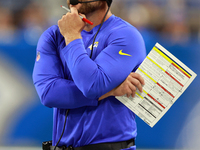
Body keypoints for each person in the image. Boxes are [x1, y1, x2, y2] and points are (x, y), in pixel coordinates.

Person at [32, 0, 146, 150]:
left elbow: (92, 85)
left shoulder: (126, 35)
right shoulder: (53, 36)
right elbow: (49, 94)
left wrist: (72, 35)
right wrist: (110, 90)